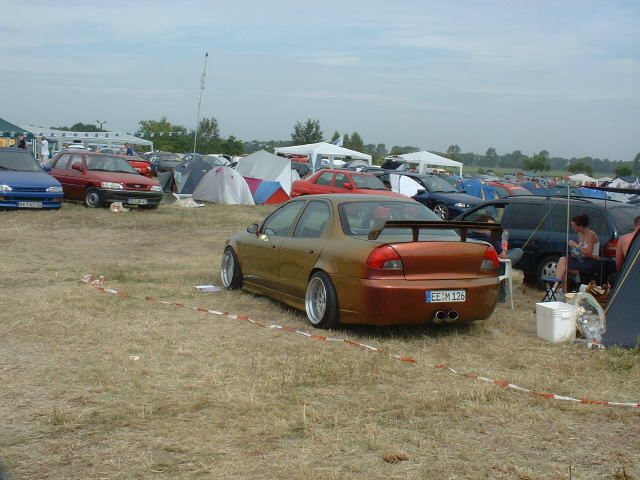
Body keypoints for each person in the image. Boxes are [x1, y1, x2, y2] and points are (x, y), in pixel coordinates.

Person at [468, 214, 524, 302]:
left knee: (505, 256)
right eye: (490, 227)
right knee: (517, 252)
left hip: (476, 265)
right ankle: (501, 296)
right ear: (482, 227)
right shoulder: (491, 240)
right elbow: (504, 257)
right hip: (493, 265)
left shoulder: (469, 237)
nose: (492, 230)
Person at [554, 214, 600, 292]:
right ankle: (561, 290)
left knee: (563, 266)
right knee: (562, 261)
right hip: (582, 259)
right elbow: (580, 251)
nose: (573, 228)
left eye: (574, 226)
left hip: (591, 261)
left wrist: (576, 245)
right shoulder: (580, 234)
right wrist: (574, 250)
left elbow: (588, 253)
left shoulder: (591, 235)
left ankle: (555, 288)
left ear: (580, 226)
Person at [608, 215, 640, 287]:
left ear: (635, 225)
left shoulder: (623, 238)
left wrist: (622, 275)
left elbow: (618, 264)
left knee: (612, 279)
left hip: (630, 275)